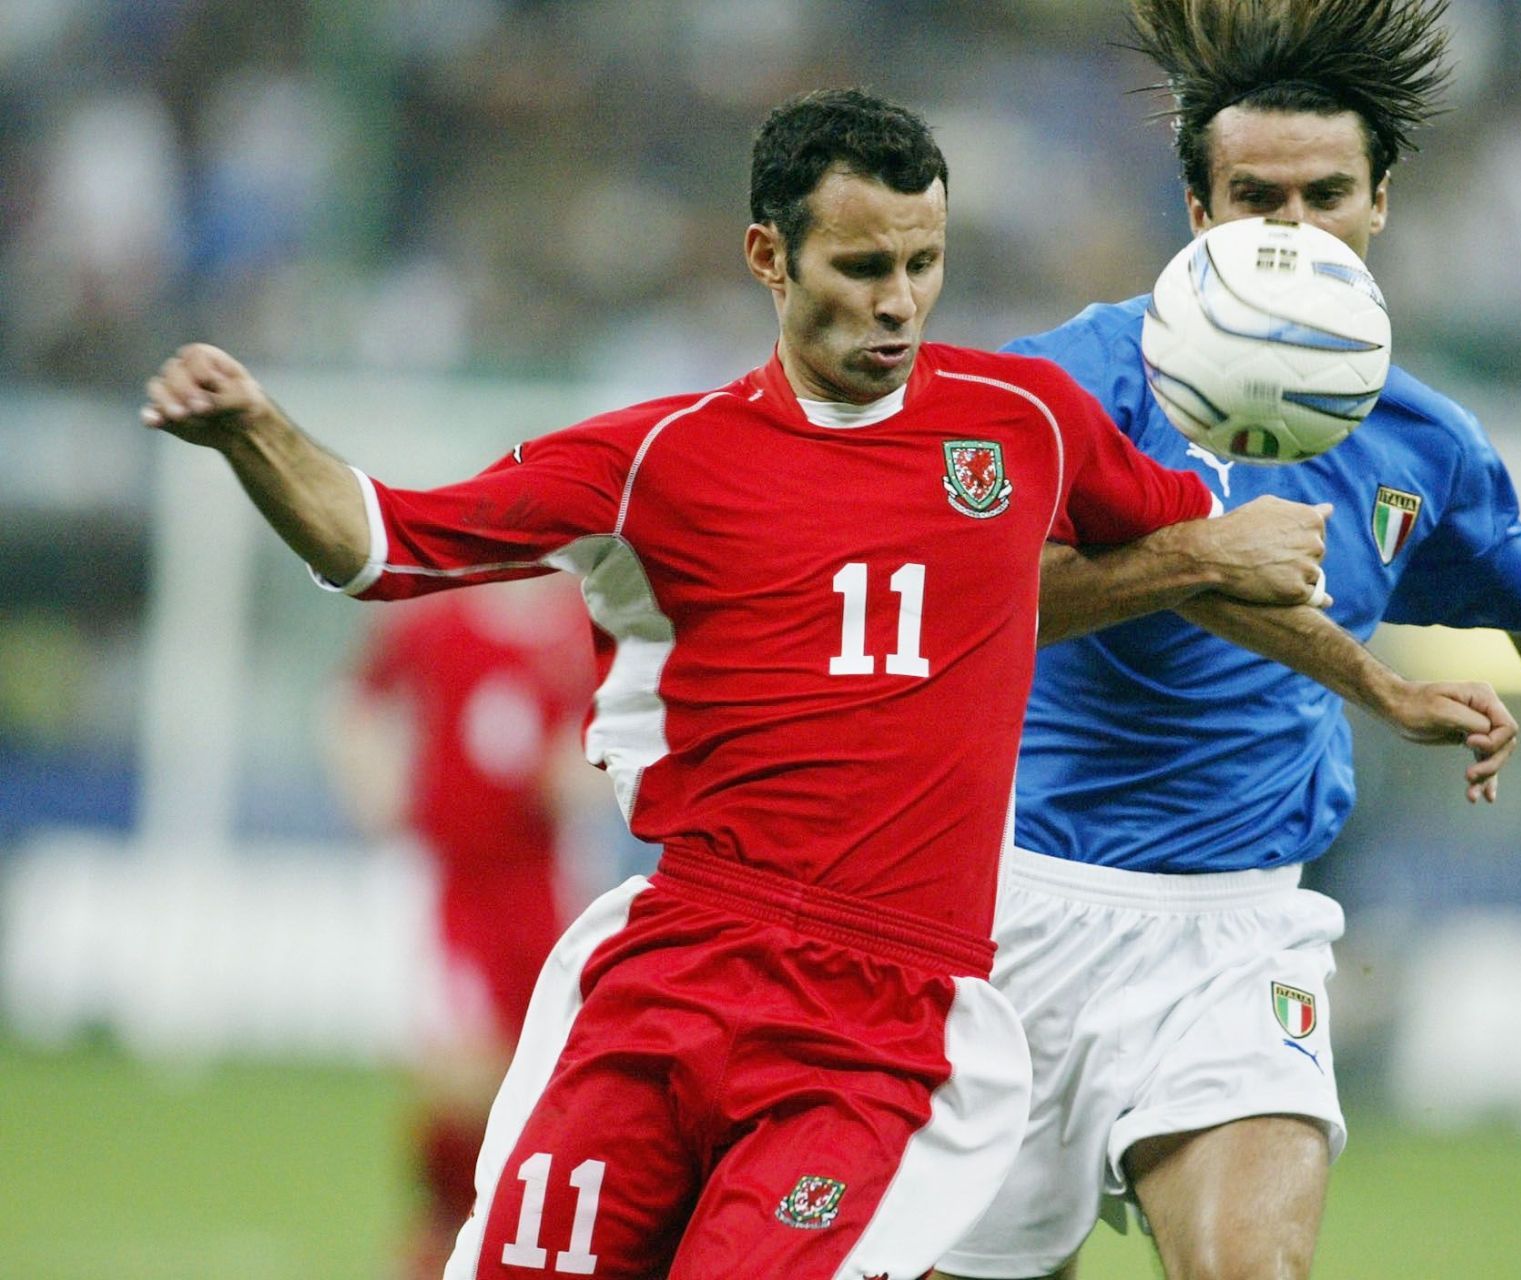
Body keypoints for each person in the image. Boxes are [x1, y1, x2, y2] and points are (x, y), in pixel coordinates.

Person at [139, 88, 1340, 1280]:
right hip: (678, 972)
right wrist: (256, 431)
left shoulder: (1025, 421)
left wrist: (1374, 685)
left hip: (880, 1025)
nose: (900, 301)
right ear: (769, 255)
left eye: (926, 263)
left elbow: (1214, 556)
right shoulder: (661, 457)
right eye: (864, 264)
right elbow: (386, 543)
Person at [934, 4, 1521, 1279]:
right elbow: (975, 596)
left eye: (1326, 193)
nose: (1291, 231)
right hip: (1016, 909)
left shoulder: (1421, 440)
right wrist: (1201, 556)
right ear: (1195, 209)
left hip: (1241, 927)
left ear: (1381, 201)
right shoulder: (1071, 383)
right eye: (1255, 196)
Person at [321, 577, 596, 1279]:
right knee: (462, 1081)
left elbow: (618, 739)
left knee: (540, 1091)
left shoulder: (582, 629)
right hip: (455, 887)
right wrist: (374, 783)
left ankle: (501, 1237)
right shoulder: (438, 625)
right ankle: (439, 1231)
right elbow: (355, 699)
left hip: (546, 891)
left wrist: (584, 773)